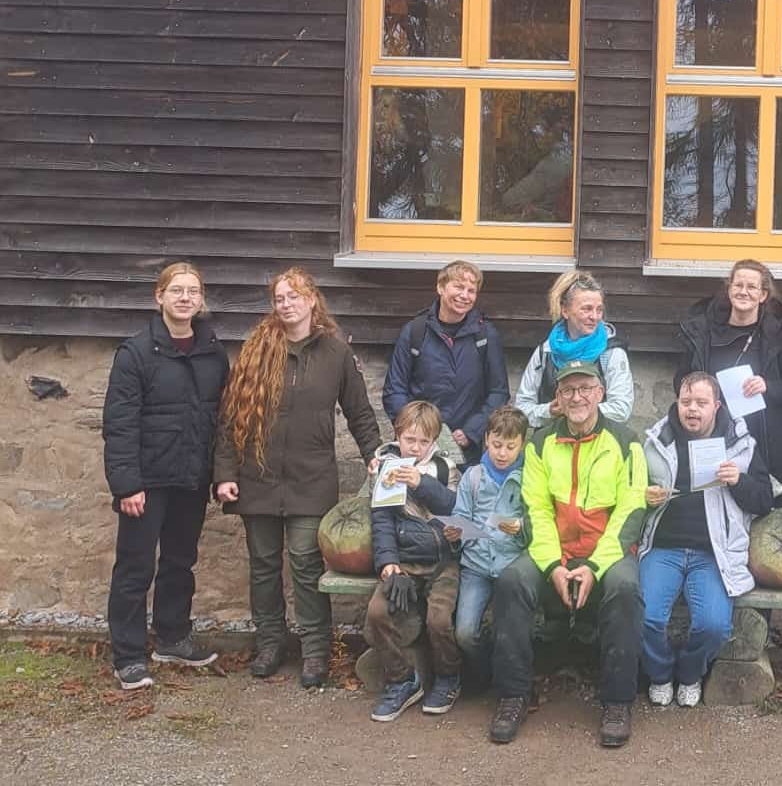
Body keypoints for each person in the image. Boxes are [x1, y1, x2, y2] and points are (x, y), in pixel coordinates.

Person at [214, 267, 382, 689]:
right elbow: (231, 418)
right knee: (264, 565)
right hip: (259, 476)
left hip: (311, 479)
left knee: (307, 565)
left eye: (294, 296)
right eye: (279, 297)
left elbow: (359, 412)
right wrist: (225, 474)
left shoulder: (335, 353)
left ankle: (315, 650)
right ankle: (270, 643)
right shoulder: (255, 351)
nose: (285, 303)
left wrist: (374, 455)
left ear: (312, 301)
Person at [487, 359, 647, 748]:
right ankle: (514, 694)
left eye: (585, 389)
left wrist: (593, 566)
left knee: (626, 589)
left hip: (605, 553)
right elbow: (535, 509)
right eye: (568, 390)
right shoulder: (540, 442)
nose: (577, 397)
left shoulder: (627, 442)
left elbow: (631, 511)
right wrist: (554, 565)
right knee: (512, 582)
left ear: (600, 394)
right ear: (557, 398)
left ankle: (617, 701)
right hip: (553, 550)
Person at [102, 263, 230, 691]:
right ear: (159, 297)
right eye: (176, 290)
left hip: (190, 479)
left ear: (201, 299)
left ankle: (173, 637)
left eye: (193, 291)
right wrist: (126, 485)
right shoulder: (136, 353)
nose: (185, 298)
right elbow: (120, 424)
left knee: (179, 562)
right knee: (135, 568)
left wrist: (217, 475)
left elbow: (219, 419)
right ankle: (129, 655)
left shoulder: (212, 352)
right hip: (147, 482)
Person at [640, 371, 773, 707]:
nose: (692, 410)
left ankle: (689, 673)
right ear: (677, 404)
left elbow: (764, 500)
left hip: (713, 553)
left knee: (714, 625)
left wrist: (738, 481)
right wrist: (644, 497)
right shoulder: (656, 442)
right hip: (663, 547)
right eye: (686, 402)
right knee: (645, 617)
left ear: (717, 405)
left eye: (701, 403)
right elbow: (627, 494)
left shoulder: (740, 444)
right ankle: (659, 673)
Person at [675, 259, 782, 509]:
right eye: (738, 285)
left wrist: (768, 387)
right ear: (729, 290)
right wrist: (701, 391)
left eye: (752, 287)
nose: (743, 292)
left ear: (763, 295)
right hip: (717, 438)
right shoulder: (704, 333)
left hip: (770, 443)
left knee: (772, 522)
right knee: (718, 513)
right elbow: (680, 382)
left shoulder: (778, 335)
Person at [365, 401, 461, 722]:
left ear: (434, 441)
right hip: (404, 560)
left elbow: (457, 508)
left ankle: (448, 677)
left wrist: (422, 483)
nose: (416, 447)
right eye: (410, 440)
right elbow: (382, 520)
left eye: (423, 441)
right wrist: (388, 562)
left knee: (439, 619)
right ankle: (402, 680)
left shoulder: (446, 468)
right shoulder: (386, 468)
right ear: (398, 435)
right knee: (378, 612)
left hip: (442, 561)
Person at [382, 260, 509, 462]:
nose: (464, 296)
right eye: (458, 287)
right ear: (440, 287)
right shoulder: (415, 332)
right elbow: (394, 390)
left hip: (466, 449)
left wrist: (471, 431)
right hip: (419, 448)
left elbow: (498, 392)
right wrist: (419, 432)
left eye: (471, 290)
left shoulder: (485, 336)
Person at [449, 405, 530, 686]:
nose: (502, 453)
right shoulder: (472, 477)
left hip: (512, 564)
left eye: (510, 446)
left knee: (508, 631)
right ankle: (482, 671)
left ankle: (511, 681)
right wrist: (456, 530)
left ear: (522, 445)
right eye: (496, 445)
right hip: (476, 565)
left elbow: (539, 522)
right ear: (486, 440)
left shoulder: (529, 478)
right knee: (465, 633)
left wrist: (520, 528)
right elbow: (461, 515)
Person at [514, 269, 633, 428]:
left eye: (599, 309)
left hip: (599, 444)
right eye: (587, 309)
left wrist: (574, 410)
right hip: (552, 444)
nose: (595, 317)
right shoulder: (546, 352)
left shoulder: (611, 352)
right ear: (565, 310)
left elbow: (622, 409)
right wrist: (548, 411)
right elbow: (522, 407)